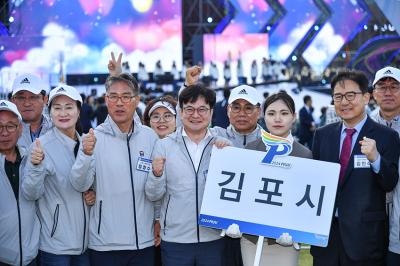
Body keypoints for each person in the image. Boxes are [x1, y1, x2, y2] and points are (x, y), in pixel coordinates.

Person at [311, 70, 400, 266]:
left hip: (365, 239)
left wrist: (375, 158)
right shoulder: (323, 135)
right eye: (338, 96)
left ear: (366, 97)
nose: (344, 102)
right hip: (326, 240)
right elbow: (314, 183)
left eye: (351, 95)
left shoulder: (387, 136)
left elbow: (390, 182)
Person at [70, 73, 158, 266]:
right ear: (106, 100)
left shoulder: (150, 137)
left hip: (143, 242)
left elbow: (157, 186)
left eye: (126, 97)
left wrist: (157, 219)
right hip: (105, 244)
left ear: (136, 100)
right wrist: (85, 154)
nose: (120, 103)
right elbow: (79, 183)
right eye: (113, 96)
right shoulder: (93, 138)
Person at [145, 84, 229, 266]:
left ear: (211, 112)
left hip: (213, 239)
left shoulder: (223, 147)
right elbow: (153, 194)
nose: (196, 115)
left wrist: (230, 158)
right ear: (181, 113)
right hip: (176, 240)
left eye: (202, 109)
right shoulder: (164, 145)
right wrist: (156, 175)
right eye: (189, 109)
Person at [226, 92, 312, 266]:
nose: (277, 119)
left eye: (284, 113)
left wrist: (296, 231)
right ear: (263, 116)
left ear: (293, 117)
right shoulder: (250, 150)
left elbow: (304, 202)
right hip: (251, 239)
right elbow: (242, 192)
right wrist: (231, 220)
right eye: (271, 113)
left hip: (286, 241)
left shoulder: (304, 154)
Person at [21, 85, 91, 266]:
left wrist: (93, 192)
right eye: (57, 108)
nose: (63, 113)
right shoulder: (41, 145)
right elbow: (30, 193)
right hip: (55, 247)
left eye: (69, 107)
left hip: (86, 244)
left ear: (78, 111)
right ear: (49, 112)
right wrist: (36, 166)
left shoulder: (86, 143)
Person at [0, 100, 40, 266]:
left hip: (33, 256)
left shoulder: (32, 160)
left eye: (10, 126)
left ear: (20, 129)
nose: (4, 132)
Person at [370, 66, 400, 266]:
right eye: (382, 86)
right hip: (371, 218)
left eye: (394, 86)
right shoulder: (363, 124)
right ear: (373, 93)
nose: (388, 92)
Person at [11, 73, 52, 150]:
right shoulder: (4, 133)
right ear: (13, 101)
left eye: (33, 97)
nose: (27, 103)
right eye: (21, 98)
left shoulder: (56, 129)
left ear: (45, 100)